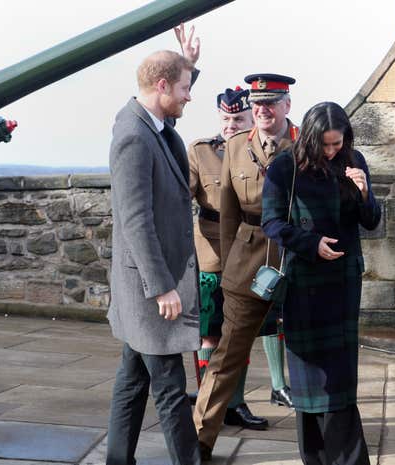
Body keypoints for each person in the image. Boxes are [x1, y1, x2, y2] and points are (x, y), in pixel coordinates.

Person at [261, 101, 381, 465]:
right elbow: (272, 223)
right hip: (304, 285)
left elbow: (371, 221)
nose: (332, 151)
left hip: (342, 284)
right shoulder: (285, 167)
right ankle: (316, 458)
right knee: (311, 378)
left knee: (341, 378)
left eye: (337, 144)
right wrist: (310, 243)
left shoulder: (353, 160)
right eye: (325, 145)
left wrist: (364, 193)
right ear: (311, 138)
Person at [106, 25, 202, 465]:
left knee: (132, 381)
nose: (189, 96)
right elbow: (135, 220)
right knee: (169, 389)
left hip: (142, 290)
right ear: (162, 86)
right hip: (148, 290)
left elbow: (173, 93)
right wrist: (162, 286)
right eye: (184, 88)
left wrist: (189, 63)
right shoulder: (133, 135)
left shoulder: (154, 123)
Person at [193, 73, 298, 460]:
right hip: (247, 261)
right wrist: (229, 263)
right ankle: (199, 441)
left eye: (270, 102)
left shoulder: (305, 144)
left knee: (305, 355)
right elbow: (228, 214)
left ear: (287, 105)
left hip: (296, 260)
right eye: (257, 104)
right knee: (226, 356)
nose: (262, 109)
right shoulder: (237, 147)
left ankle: (319, 441)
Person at [187, 86, 270, 430]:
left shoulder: (261, 150)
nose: (230, 125)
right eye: (225, 119)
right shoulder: (201, 152)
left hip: (248, 252)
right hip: (212, 256)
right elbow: (182, 198)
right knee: (210, 334)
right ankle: (209, 402)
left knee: (241, 333)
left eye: (238, 118)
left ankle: (235, 403)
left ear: (251, 117)